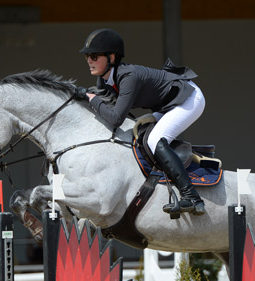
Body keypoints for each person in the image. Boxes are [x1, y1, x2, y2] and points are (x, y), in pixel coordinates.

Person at [74, 28, 206, 216]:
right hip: (167, 105)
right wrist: (85, 96)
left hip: (188, 99)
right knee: (141, 133)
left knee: (155, 140)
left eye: (94, 56)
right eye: (87, 56)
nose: (89, 60)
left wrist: (90, 97)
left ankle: (192, 196)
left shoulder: (129, 76)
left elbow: (115, 118)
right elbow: (102, 102)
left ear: (111, 57)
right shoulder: (104, 79)